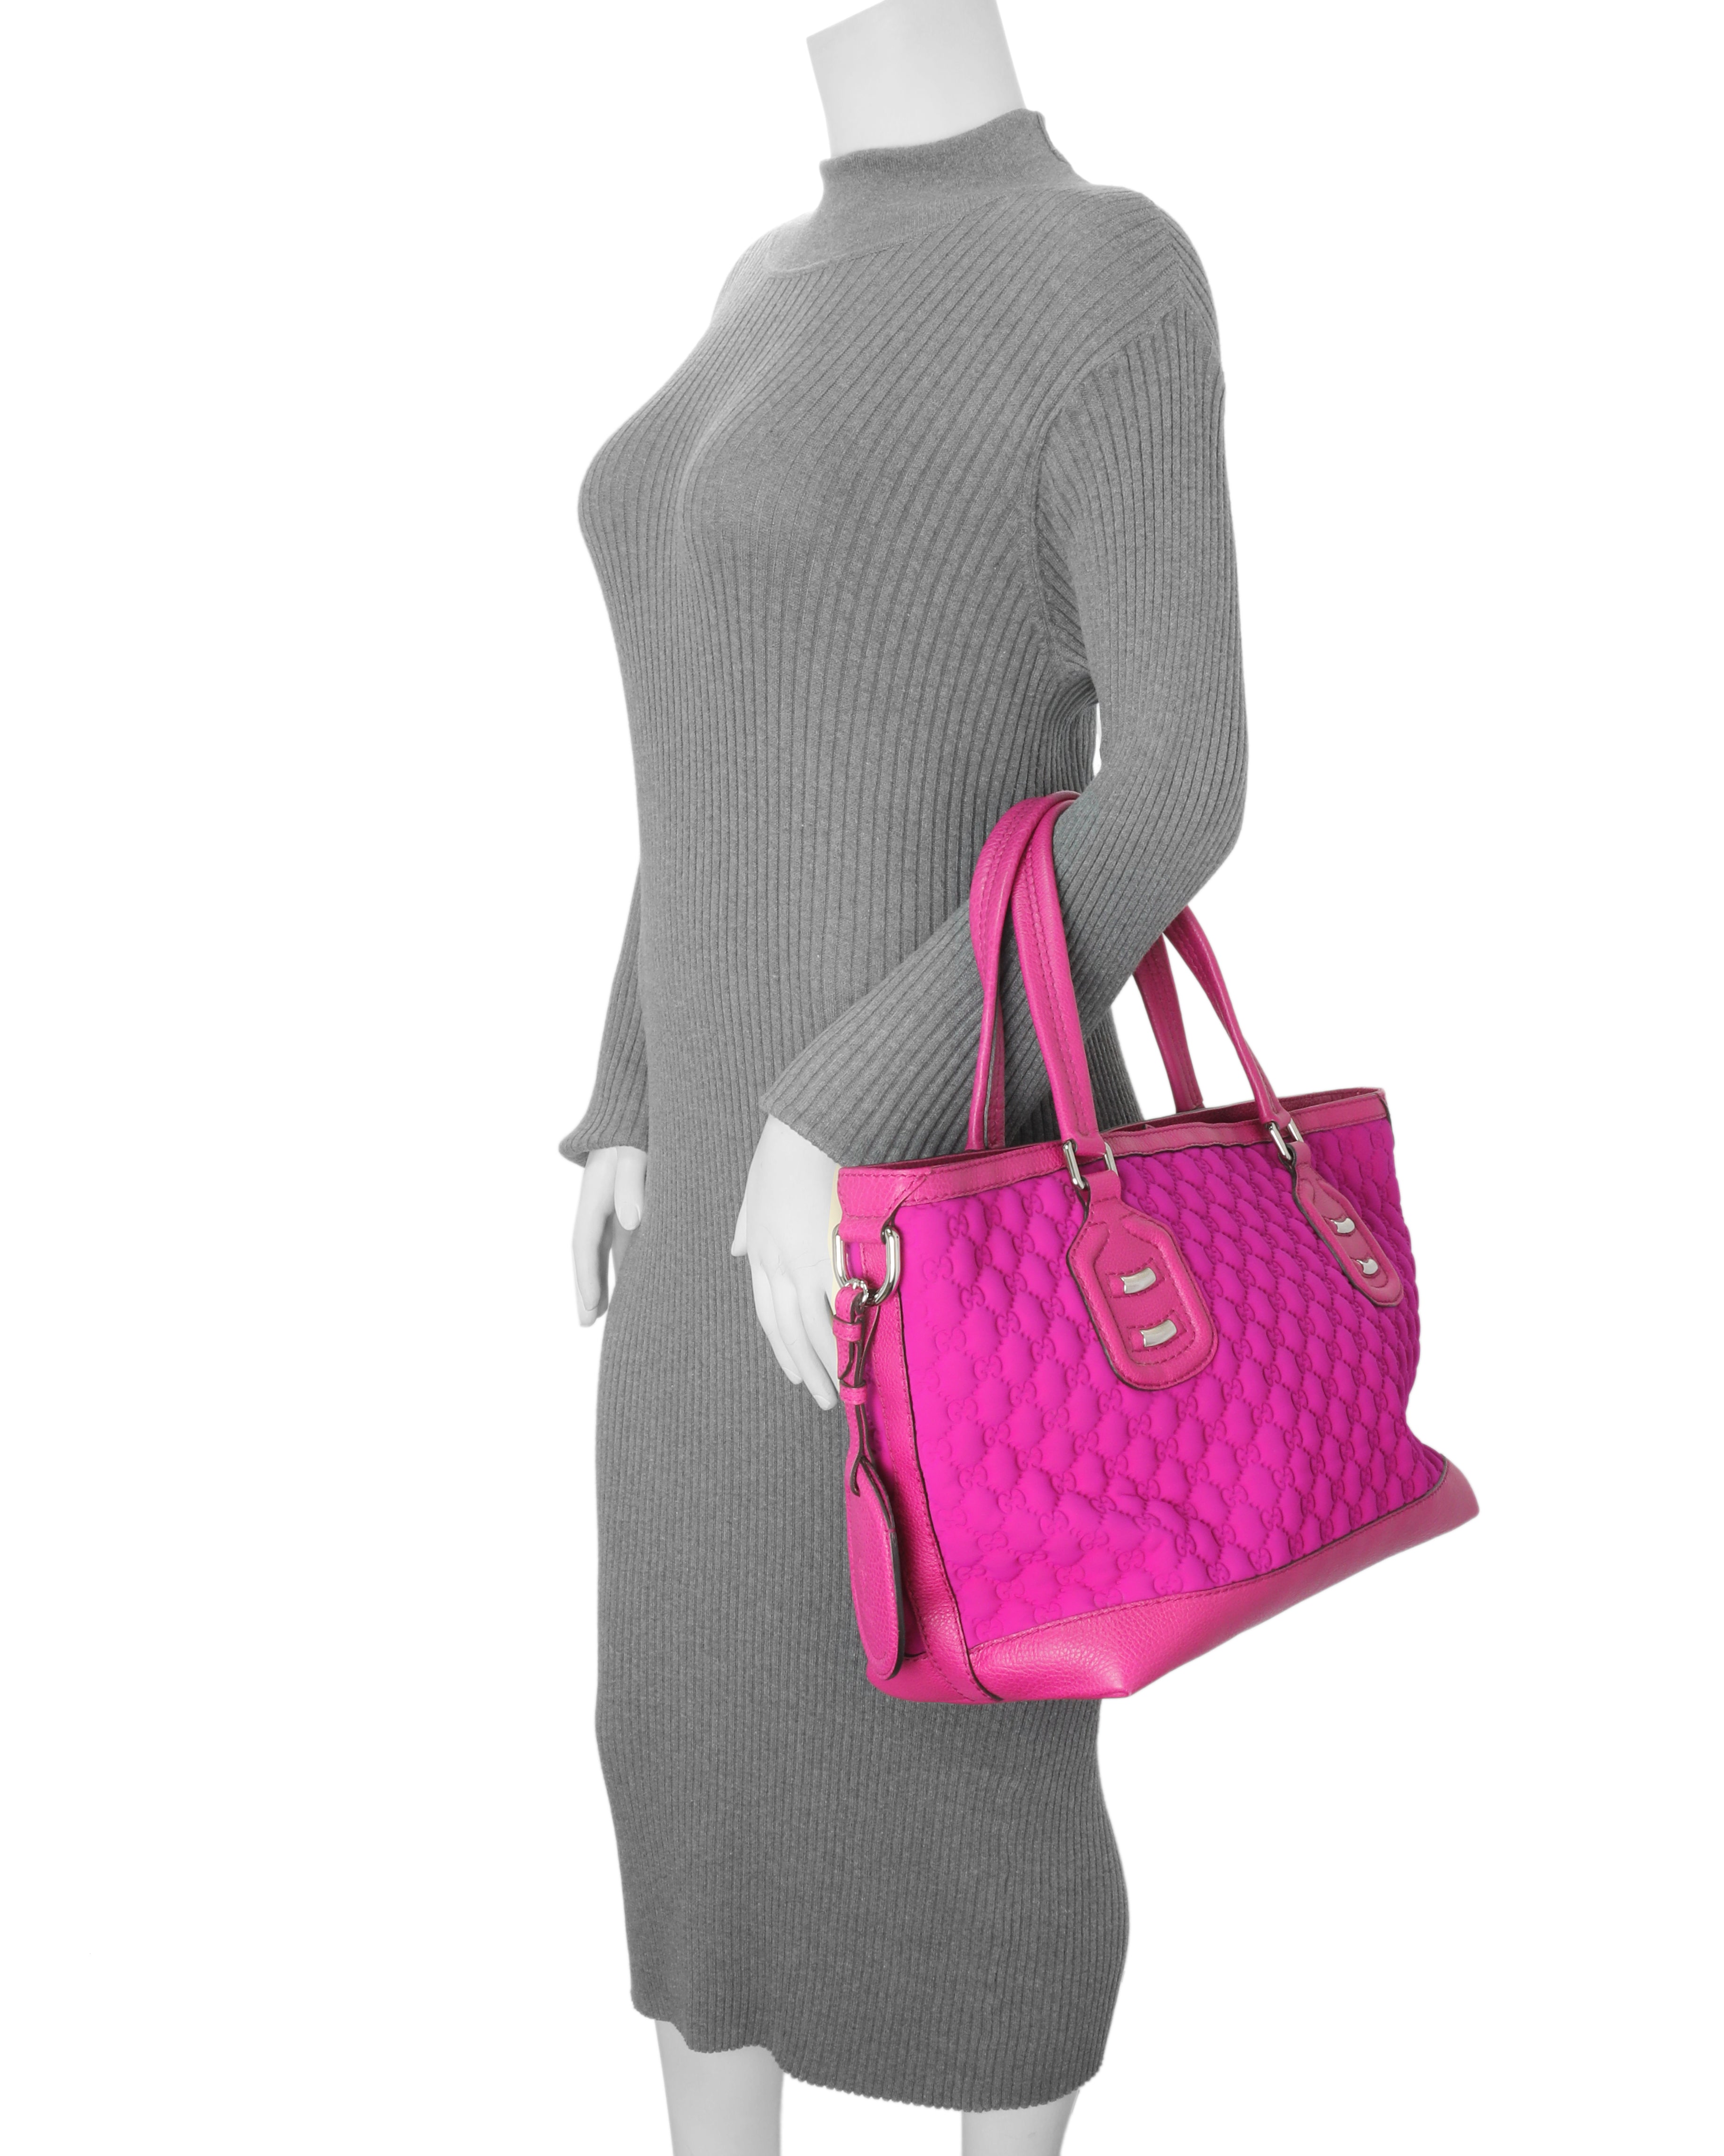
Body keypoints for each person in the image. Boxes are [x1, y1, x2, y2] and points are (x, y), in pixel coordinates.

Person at [563, 4, 1249, 2147]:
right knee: (691, 1757)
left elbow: (1180, 788)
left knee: (967, 1769)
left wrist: (837, 1104)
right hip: (708, 1227)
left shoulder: (1106, 272)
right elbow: (719, 756)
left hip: (932, 1210)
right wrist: (629, 1093)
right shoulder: (759, 280)